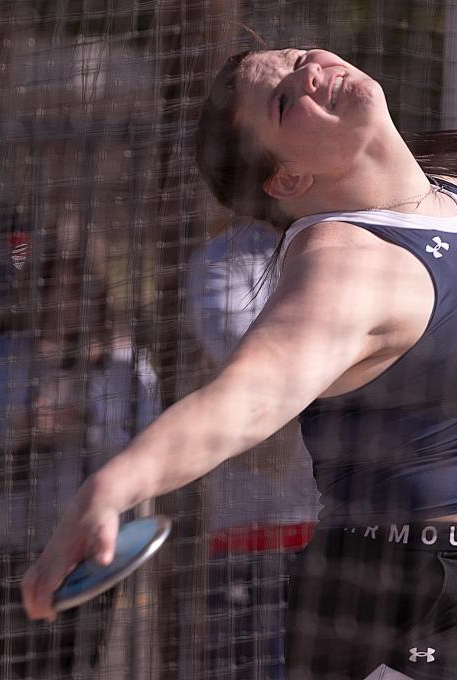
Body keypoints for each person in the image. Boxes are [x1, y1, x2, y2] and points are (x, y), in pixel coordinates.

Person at [21, 48, 457, 680]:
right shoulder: (343, 262)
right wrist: (113, 486)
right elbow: (250, 397)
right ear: (287, 176)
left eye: (297, 58)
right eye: (288, 102)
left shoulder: (453, 198)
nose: (312, 73)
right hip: (420, 614)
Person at [0, 221, 160, 678]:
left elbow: (151, 451)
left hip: (88, 547)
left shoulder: (126, 363)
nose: (62, 302)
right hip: (8, 542)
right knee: (8, 665)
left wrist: (89, 423)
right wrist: (18, 429)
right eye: (51, 286)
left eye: (75, 287)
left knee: (77, 665)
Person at [186, 218, 320, 679]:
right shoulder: (229, 256)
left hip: (332, 525)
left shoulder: (346, 236)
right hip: (249, 522)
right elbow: (245, 351)